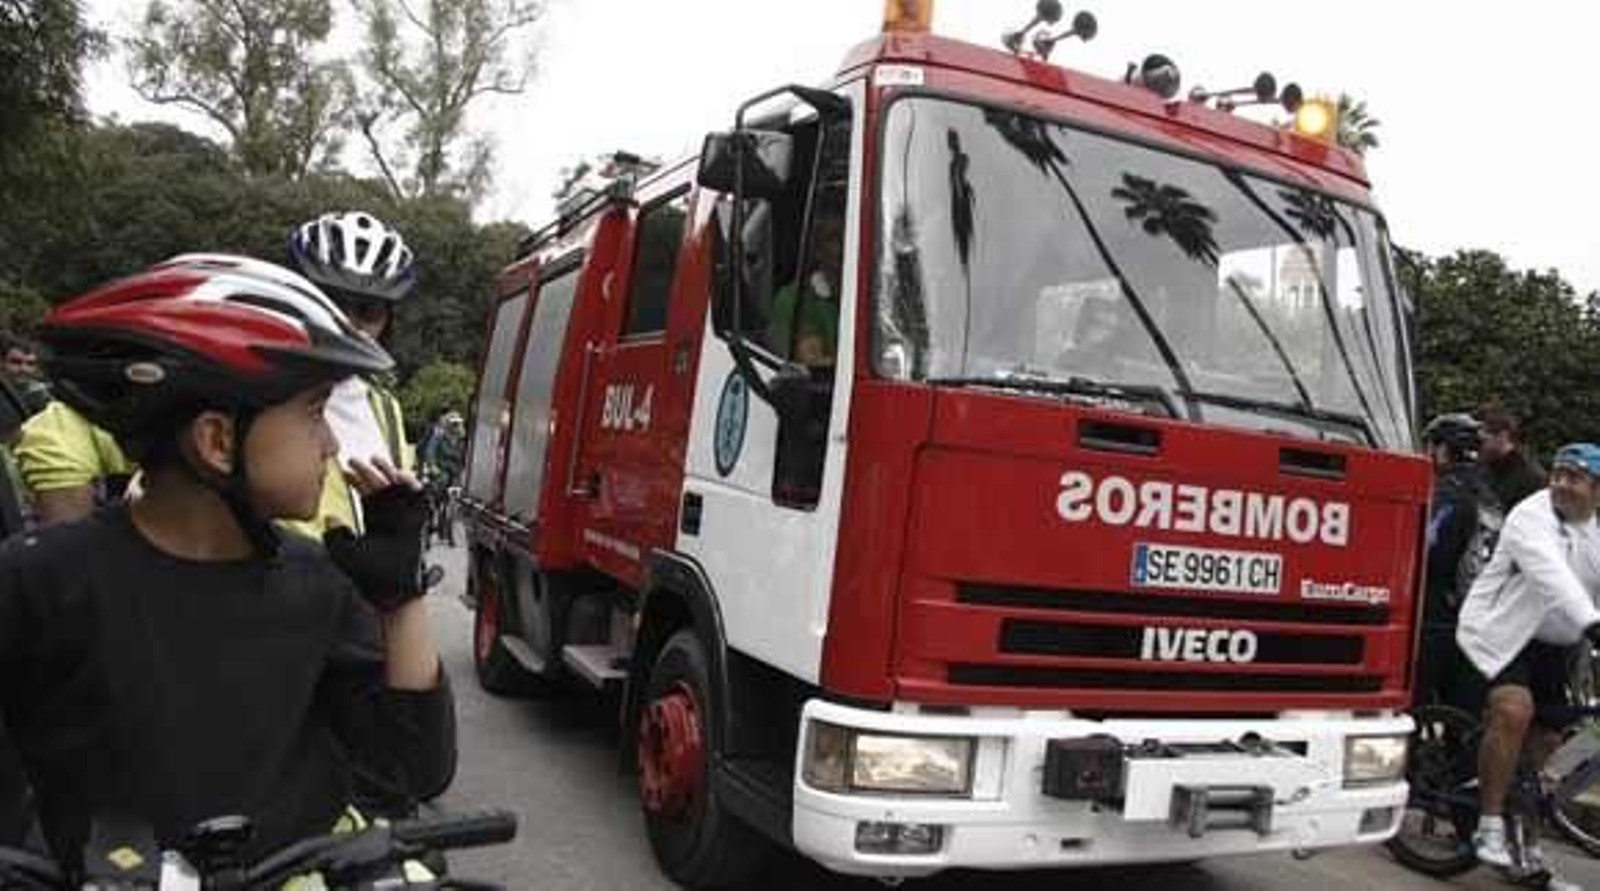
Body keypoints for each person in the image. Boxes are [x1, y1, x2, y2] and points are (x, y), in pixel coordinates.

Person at [0, 258, 455, 867]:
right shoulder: (39, 581)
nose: (333, 444)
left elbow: (412, 770)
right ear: (218, 440)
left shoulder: (316, 585)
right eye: (316, 413)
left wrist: (400, 602)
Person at [1457, 443, 1600, 890]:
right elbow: (1549, 572)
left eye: (1573, 478)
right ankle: (1489, 821)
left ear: (1597, 489)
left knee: (1548, 738)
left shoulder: (1595, 530)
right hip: (1501, 634)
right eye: (1557, 473)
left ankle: (1525, 844)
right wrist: (1593, 624)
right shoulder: (1530, 515)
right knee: (1514, 711)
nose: (1560, 484)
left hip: (1556, 644)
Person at [286, 211, 418, 536]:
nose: (348, 323)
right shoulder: (256, 391)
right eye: (331, 302)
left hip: (359, 586)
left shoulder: (386, 408)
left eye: (369, 311)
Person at [1417, 413, 1501, 710]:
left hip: (1437, 618)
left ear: (1441, 450)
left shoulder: (1445, 493)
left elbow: (1428, 550)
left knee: (1418, 710)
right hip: (1481, 621)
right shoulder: (1490, 496)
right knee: (1465, 720)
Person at [767, 207, 844, 367]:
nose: (844, 245)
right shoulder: (794, 300)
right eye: (834, 238)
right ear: (817, 250)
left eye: (849, 236)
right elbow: (814, 364)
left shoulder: (877, 297)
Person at [1479, 406, 1547, 511]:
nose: (1478, 445)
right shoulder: (1483, 464)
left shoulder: (1530, 477)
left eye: (1483, 439)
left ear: (1503, 435)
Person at [419, 410, 465, 547]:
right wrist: (433, 466)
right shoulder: (439, 436)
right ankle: (433, 515)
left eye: (458, 424)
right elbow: (430, 453)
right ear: (448, 424)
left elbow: (466, 457)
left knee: (457, 494)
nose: (456, 427)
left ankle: (449, 521)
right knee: (439, 488)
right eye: (453, 424)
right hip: (441, 471)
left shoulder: (463, 439)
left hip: (455, 472)